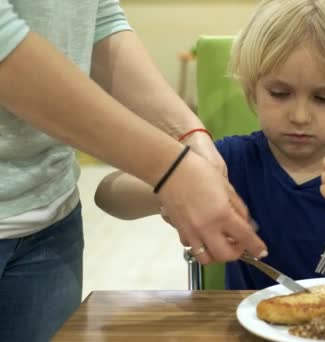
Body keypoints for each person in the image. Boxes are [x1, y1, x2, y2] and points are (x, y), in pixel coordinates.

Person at [95, 0, 325, 291]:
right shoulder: (230, 160)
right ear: (253, 92)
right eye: (280, 94)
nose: (301, 115)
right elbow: (108, 195)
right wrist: (177, 182)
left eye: (323, 98)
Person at [0, 1, 267, 341]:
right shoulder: (242, 153)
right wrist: (171, 169)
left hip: (51, 216)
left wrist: (188, 136)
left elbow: (99, 22)